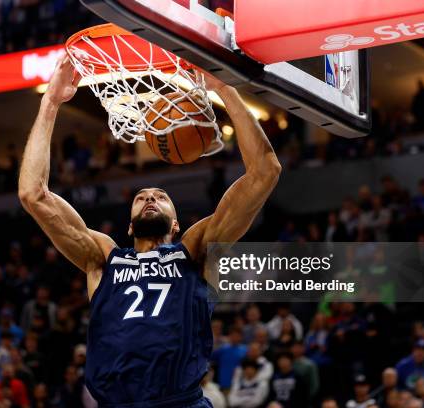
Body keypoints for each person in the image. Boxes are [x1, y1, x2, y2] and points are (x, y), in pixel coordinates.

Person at [19, 55, 281, 407]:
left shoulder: (195, 251)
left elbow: (265, 171)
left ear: (177, 223)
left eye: (160, 196)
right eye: (141, 197)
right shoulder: (103, 258)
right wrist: (49, 102)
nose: (150, 198)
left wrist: (222, 87)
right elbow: (32, 194)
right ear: (129, 225)